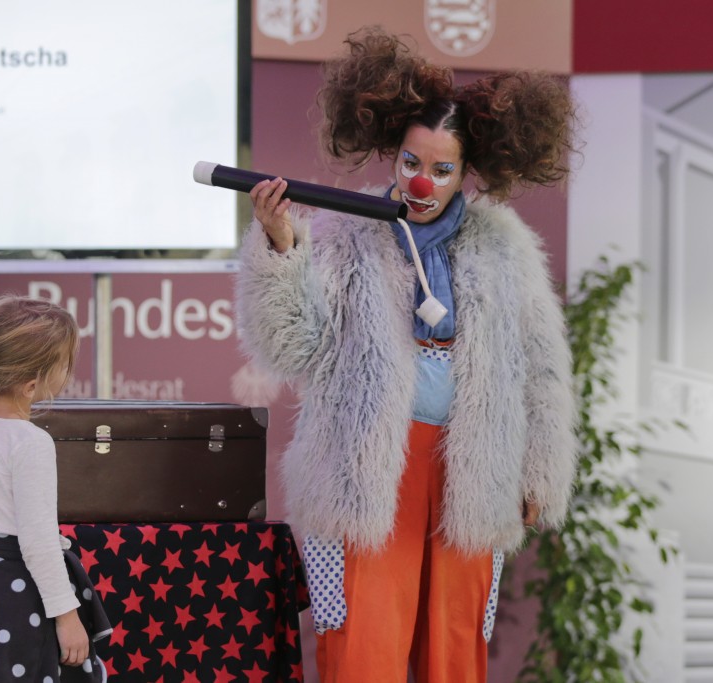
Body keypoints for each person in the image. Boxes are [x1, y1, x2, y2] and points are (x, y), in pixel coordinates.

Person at [234, 26, 579, 683]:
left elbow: (541, 368)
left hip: (474, 466)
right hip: (367, 469)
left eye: (442, 169)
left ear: (465, 171)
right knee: (363, 644)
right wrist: (282, 245)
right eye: (411, 164)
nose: (423, 182)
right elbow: (294, 343)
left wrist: (540, 469)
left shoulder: (506, 246)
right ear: (393, 155)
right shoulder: (344, 229)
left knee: (455, 647)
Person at [0, 296, 111, 682]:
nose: (69, 373)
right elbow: (38, 541)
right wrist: (67, 616)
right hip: (22, 597)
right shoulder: (30, 443)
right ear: (31, 384)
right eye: (65, 365)